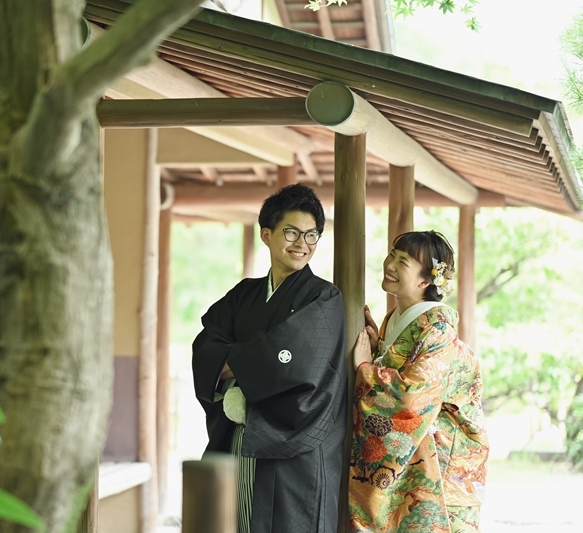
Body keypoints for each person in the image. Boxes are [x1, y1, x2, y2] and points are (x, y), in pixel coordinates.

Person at [192, 183, 347, 533]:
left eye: (311, 235)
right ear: (266, 234)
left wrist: (234, 362)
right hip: (241, 434)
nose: (302, 243)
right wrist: (256, 357)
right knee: (234, 520)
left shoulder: (323, 298)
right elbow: (206, 346)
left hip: (295, 443)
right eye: (291, 232)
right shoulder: (244, 294)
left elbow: (302, 365)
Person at [349, 230, 489, 533]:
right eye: (392, 255)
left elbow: (411, 396)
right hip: (420, 452)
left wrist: (365, 369)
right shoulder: (397, 317)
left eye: (403, 262)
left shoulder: (438, 329)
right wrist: (377, 351)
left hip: (443, 461)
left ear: (426, 281)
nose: (390, 264)